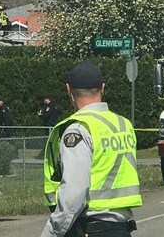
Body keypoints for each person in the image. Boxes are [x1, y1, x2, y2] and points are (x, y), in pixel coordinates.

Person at [41, 61, 142, 237]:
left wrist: (52, 231)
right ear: (102, 88)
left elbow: (74, 192)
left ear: (68, 89)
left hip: (90, 228)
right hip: (121, 228)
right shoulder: (123, 124)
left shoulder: (78, 130)